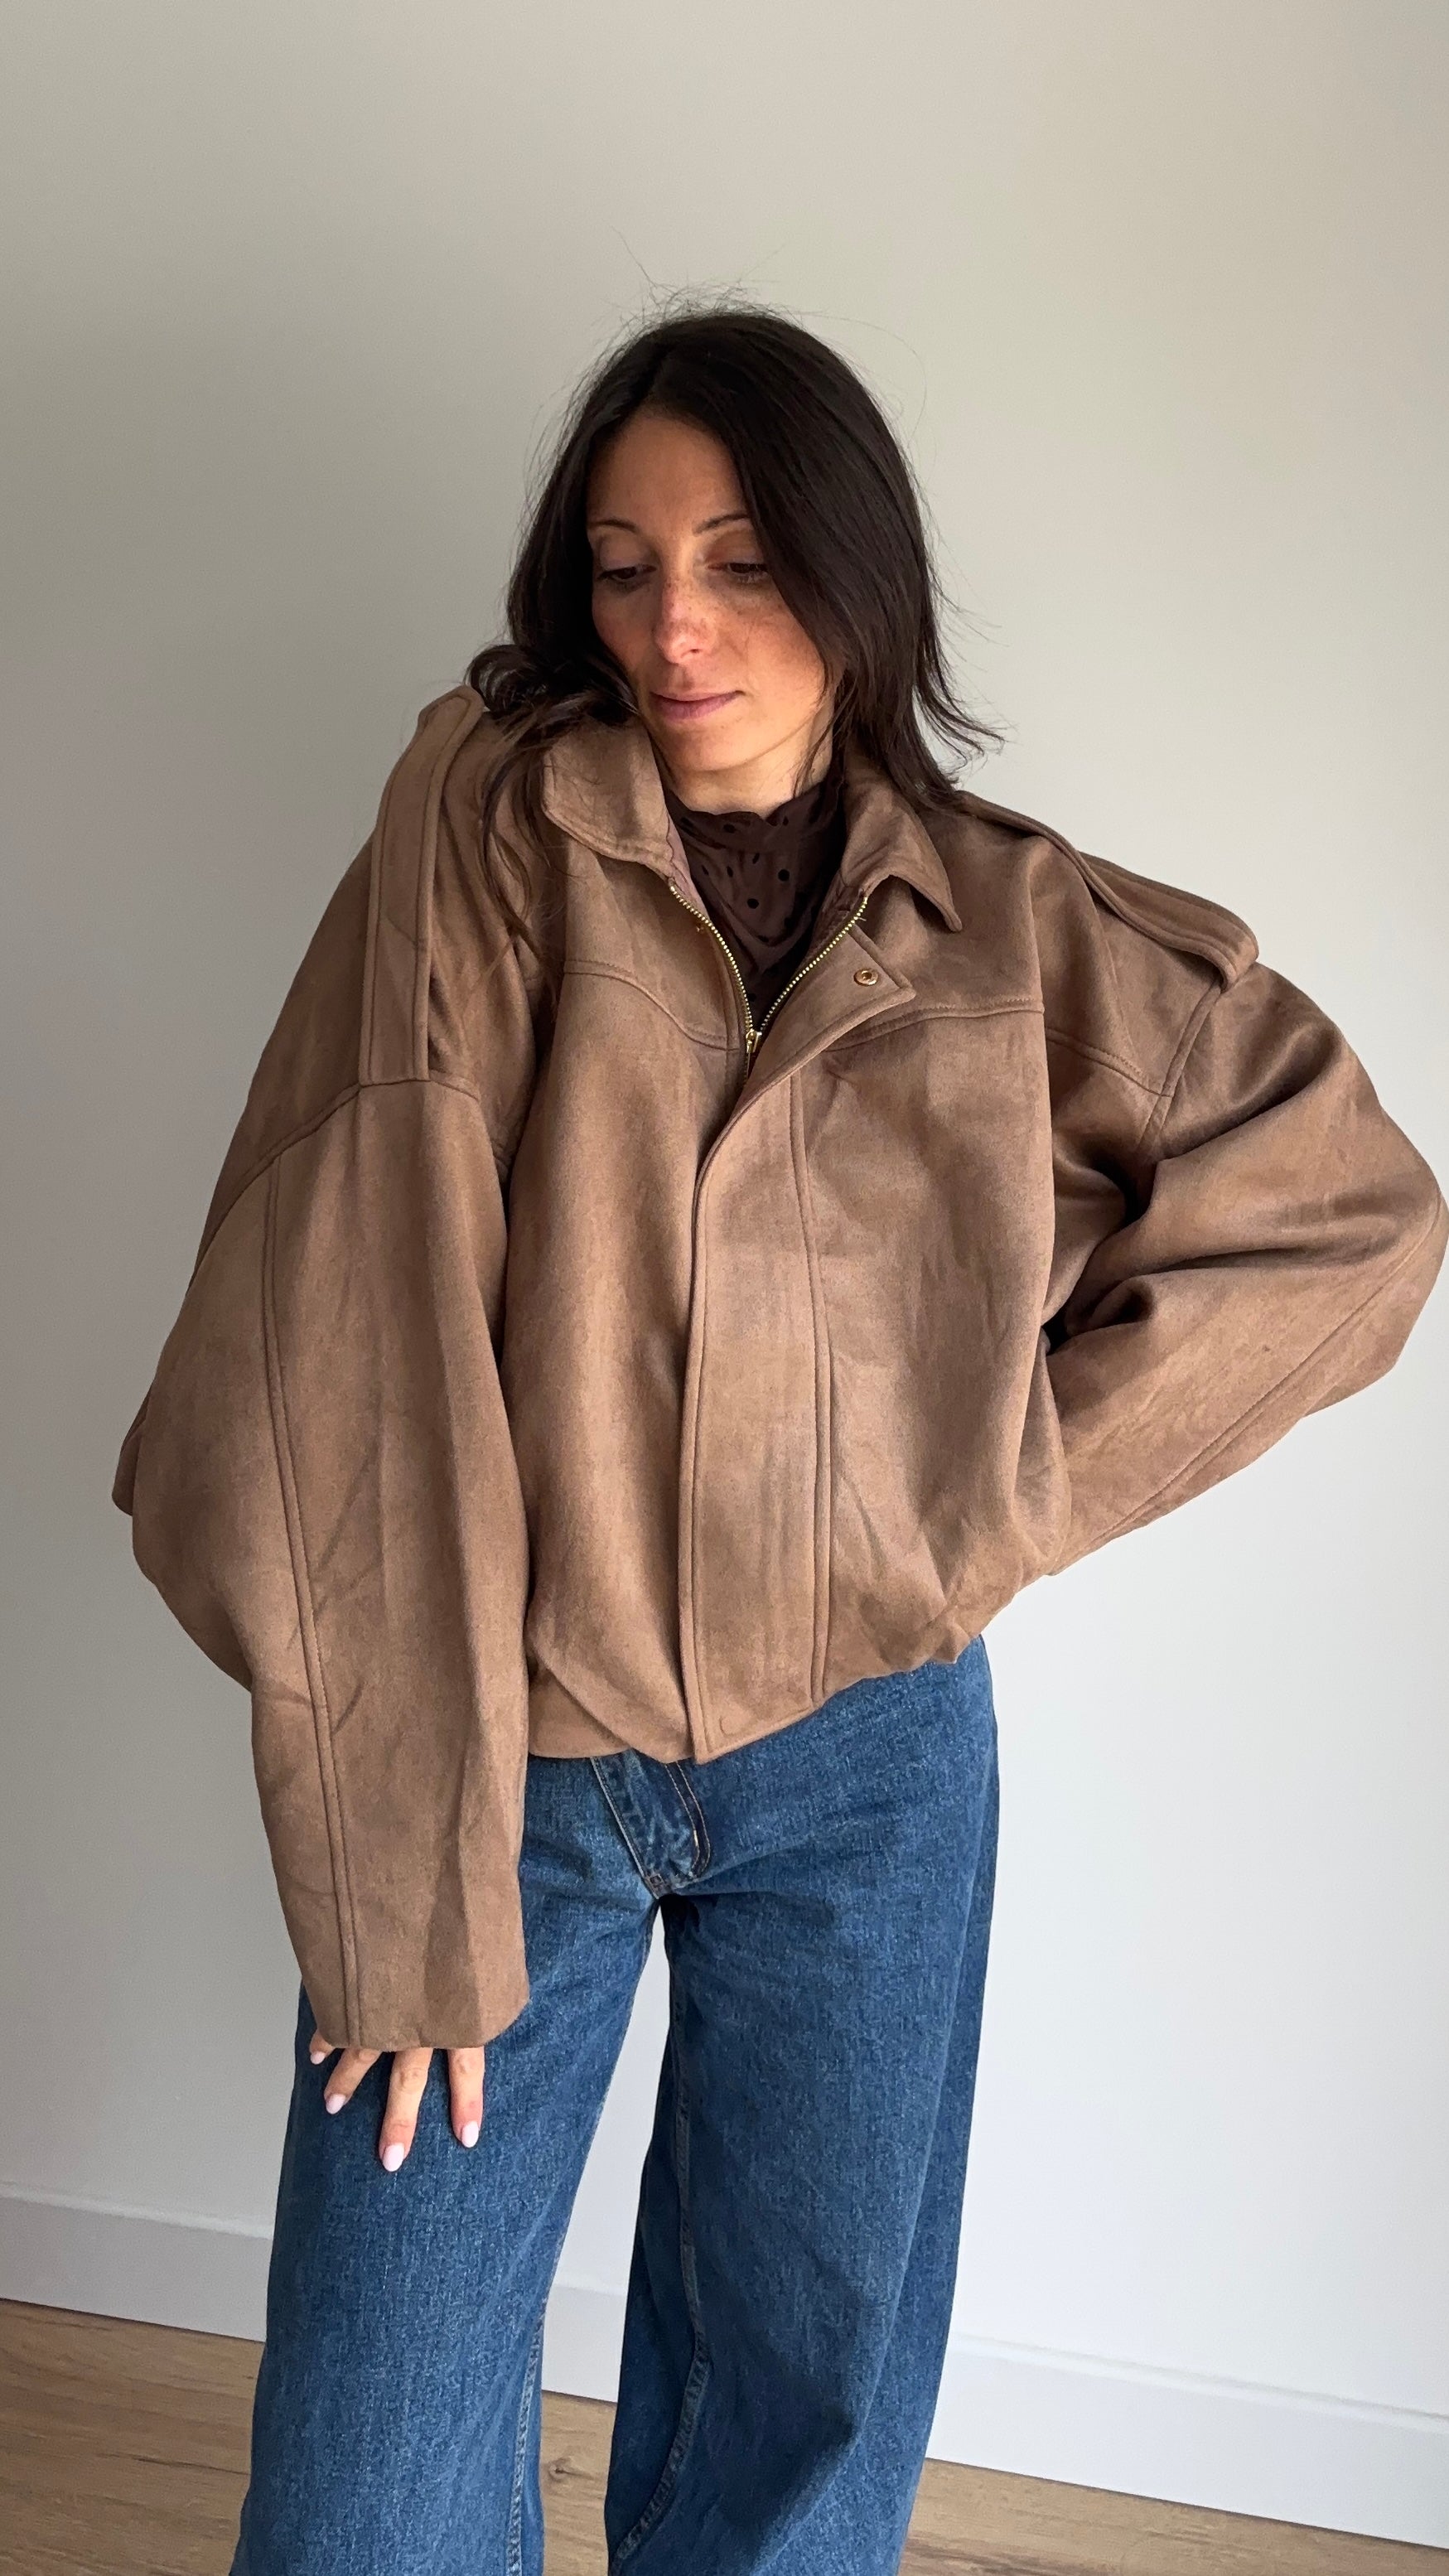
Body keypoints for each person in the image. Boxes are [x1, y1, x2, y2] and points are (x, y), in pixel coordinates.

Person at [112, 305, 1447, 2576]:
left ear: (854, 581)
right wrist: (396, 1872)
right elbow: (345, 1348)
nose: (677, 627)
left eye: (740, 562)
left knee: (805, 2434)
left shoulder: (1011, 924)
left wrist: (987, 1497)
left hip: (869, 1762)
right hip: (506, 1748)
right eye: (626, 567)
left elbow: (1351, 1212)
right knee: (367, 2478)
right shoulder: (484, 836)